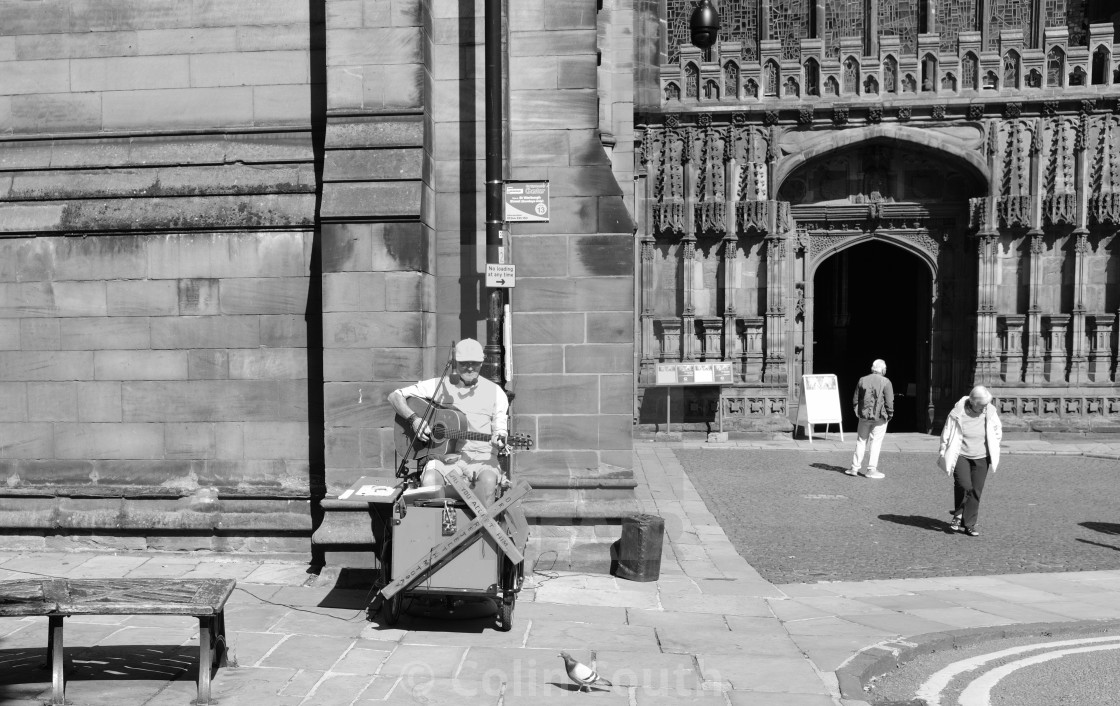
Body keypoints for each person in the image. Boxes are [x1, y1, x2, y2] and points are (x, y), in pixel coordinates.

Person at [387, 338, 509, 504]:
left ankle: (480, 529)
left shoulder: (496, 392)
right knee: (430, 483)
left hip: (482, 459)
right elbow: (395, 396)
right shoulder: (441, 385)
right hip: (444, 457)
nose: (470, 367)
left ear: (482, 363)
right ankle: (439, 528)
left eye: (475, 363)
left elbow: (500, 429)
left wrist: (500, 439)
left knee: (487, 484)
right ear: (454, 363)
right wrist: (414, 419)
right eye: (464, 363)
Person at [938, 385, 1002, 537]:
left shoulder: (990, 411)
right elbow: (947, 431)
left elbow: (997, 430)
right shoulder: (958, 411)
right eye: (982, 405)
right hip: (961, 455)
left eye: (986, 405)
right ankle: (958, 514)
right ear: (973, 402)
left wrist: (994, 446)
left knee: (976, 491)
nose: (985, 408)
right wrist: (942, 449)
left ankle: (969, 524)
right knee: (964, 485)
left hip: (982, 456)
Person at [846, 359, 894, 479]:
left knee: (861, 441)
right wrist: (890, 415)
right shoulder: (886, 382)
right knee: (875, 442)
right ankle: (871, 469)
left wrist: (858, 412)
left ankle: (854, 468)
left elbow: (855, 399)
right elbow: (889, 402)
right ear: (882, 370)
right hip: (880, 417)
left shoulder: (862, 380)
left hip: (864, 416)